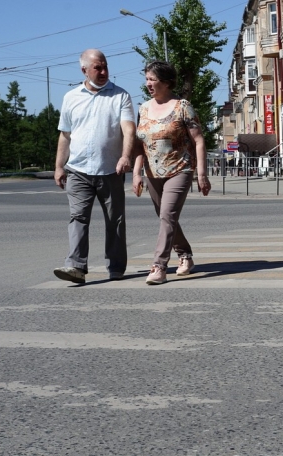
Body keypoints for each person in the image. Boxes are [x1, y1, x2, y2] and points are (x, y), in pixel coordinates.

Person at [53, 49, 136, 284]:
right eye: (97, 68)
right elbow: (65, 135)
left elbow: (129, 129)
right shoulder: (71, 97)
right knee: (78, 217)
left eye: (105, 66)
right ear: (84, 70)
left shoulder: (121, 96)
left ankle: (116, 267)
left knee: (115, 220)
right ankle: (76, 267)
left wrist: (125, 156)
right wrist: (59, 166)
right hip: (78, 170)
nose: (103, 72)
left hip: (111, 169)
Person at [132, 61, 211, 285]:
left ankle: (159, 266)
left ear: (166, 82)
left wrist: (202, 174)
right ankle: (185, 255)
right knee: (167, 217)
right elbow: (140, 145)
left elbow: (198, 140)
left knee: (167, 215)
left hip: (180, 168)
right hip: (152, 173)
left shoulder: (183, 106)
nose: (148, 83)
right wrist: (136, 174)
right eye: (146, 79)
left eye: (152, 79)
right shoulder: (143, 108)